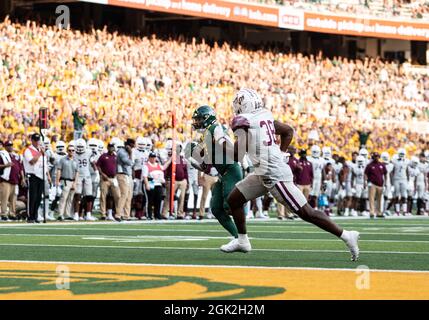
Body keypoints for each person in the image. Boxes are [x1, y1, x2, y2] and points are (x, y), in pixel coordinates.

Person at [222, 88, 360, 261]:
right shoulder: (265, 115)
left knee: (306, 212)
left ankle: (347, 235)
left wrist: (220, 142)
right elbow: (288, 131)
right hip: (263, 171)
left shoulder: (247, 122)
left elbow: (236, 155)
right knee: (234, 200)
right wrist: (281, 152)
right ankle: (242, 241)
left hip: (274, 174)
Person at [185, 105, 242, 238]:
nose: (197, 122)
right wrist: (192, 160)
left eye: (199, 119)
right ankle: (237, 237)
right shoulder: (206, 135)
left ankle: (246, 198)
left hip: (231, 169)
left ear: (207, 118)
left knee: (229, 204)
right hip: (223, 174)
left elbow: (226, 143)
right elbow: (206, 167)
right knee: (216, 209)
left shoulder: (216, 128)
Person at [23, 133, 51, 223]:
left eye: (38, 140)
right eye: (35, 140)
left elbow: (44, 164)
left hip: (41, 175)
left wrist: (48, 175)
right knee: (32, 196)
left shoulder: (41, 150)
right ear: (32, 140)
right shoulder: (28, 150)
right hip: (32, 175)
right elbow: (31, 162)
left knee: (39, 197)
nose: (37, 142)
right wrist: (40, 153)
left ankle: (35, 215)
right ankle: (30, 216)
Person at [162, 142, 188, 219]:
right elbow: (165, 168)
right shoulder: (170, 158)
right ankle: (165, 213)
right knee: (169, 197)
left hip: (182, 181)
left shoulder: (182, 158)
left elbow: (185, 170)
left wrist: (187, 181)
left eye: (179, 149)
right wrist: (165, 179)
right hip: (172, 180)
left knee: (181, 197)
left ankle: (180, 213)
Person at [0, 141, 25, 220]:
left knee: (13, 199)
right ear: (5, 146)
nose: (10, 147)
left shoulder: (15, 156)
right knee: (4, 198)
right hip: (5, 180)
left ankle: (12, 214)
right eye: (8, 145)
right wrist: (5, 165)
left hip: (15, 180)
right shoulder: (2, 154)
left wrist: (23, 178)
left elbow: (20, 168)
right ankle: (3, 214)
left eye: (11, 145)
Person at [96, 142, 121, 221]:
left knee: (118, 196)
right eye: (109, 147)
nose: (111, 148)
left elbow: (117, 166)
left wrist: (116, 175)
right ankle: (103, 214)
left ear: (114, 148)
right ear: (107, 148)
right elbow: (98, 165)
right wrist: (102, 174)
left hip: (113, 178)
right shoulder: (103, 156)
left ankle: (118, 214)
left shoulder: (116, 157)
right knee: (103, 196)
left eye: (112, 147)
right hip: (105, 178)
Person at [56, 144, 78, 220]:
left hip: (73, 181)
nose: (71, 152)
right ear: (67, 151)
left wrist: (75, 183)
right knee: (63, 197)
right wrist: (57, 181)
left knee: (70, 199)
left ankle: (67, 214)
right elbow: (59, 170)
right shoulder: (63, 159)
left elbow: (77, 172)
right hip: (65, 180)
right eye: (69, 150)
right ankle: (60, 214)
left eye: (73, 150)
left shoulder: (76, 160)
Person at [116, 138, 135, 221]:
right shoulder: (121, 152)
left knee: (129, 196)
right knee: (124, 195)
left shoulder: (128, 151)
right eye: (132, 144)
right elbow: (129, 163)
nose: (133, 146)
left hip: (128, 175)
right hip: (122, 174)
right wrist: (130, 153)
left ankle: (126, 215)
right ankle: (118, 214)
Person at [365, 152, 387, 218]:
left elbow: (385, 174)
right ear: (373, 157)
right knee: (371, 199)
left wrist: (385, 182)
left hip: (380, 184)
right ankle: (371, 212)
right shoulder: (369, 165)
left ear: (379, 157)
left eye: (377, 156)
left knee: (379, 199)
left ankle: (379, 212)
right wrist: (366, 182)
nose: (376, 158)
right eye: (375, 156)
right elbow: (365, 174)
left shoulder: (382, 165)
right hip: (372, 184)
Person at [143, 152, 165, 220]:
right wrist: (147, 184)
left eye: (154, 157)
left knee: (158, 199)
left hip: (158, 183)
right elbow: (145, 176)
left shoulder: (158, 165)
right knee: (150, 199)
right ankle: (149, 214)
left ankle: (157, 214)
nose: (153, 159)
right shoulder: (146, 165)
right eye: (152, 157)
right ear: (149, 158)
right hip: (151, 182)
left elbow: (163, 168)